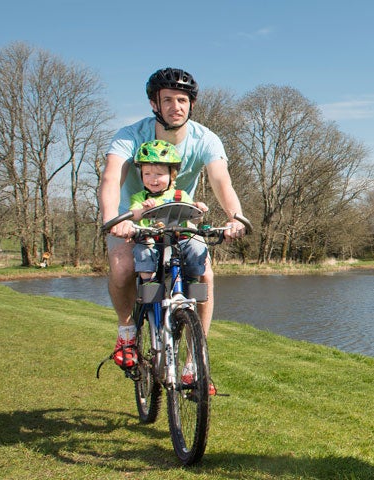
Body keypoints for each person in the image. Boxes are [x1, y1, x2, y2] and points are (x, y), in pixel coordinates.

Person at [100, 68, 245, 391]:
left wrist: (236, 217)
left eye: (182, 100)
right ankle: (126, 334)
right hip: (132, 218)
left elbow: (222, 181)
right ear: (155, 104)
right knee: (123, 267)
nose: (175, 107)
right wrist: (114, 219)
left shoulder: (205, 139)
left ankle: (195, 361)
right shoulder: (130, 135)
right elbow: (111, 179)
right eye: (167, 100)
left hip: (180, 215)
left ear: (191, 104)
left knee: (204, 273)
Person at [127, 140, 209, 283]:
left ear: (172, 175)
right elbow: (134, 215)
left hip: (180, 239)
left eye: (159, 174)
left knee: (197, 246)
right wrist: (143, 210)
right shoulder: (140, 197)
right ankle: (148, 283)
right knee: (143, 250)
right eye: (147, 174)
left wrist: (199, 210)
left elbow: (194, 219)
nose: (153, 179)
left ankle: (192, 281)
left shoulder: (180, 195)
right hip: (152, 240)